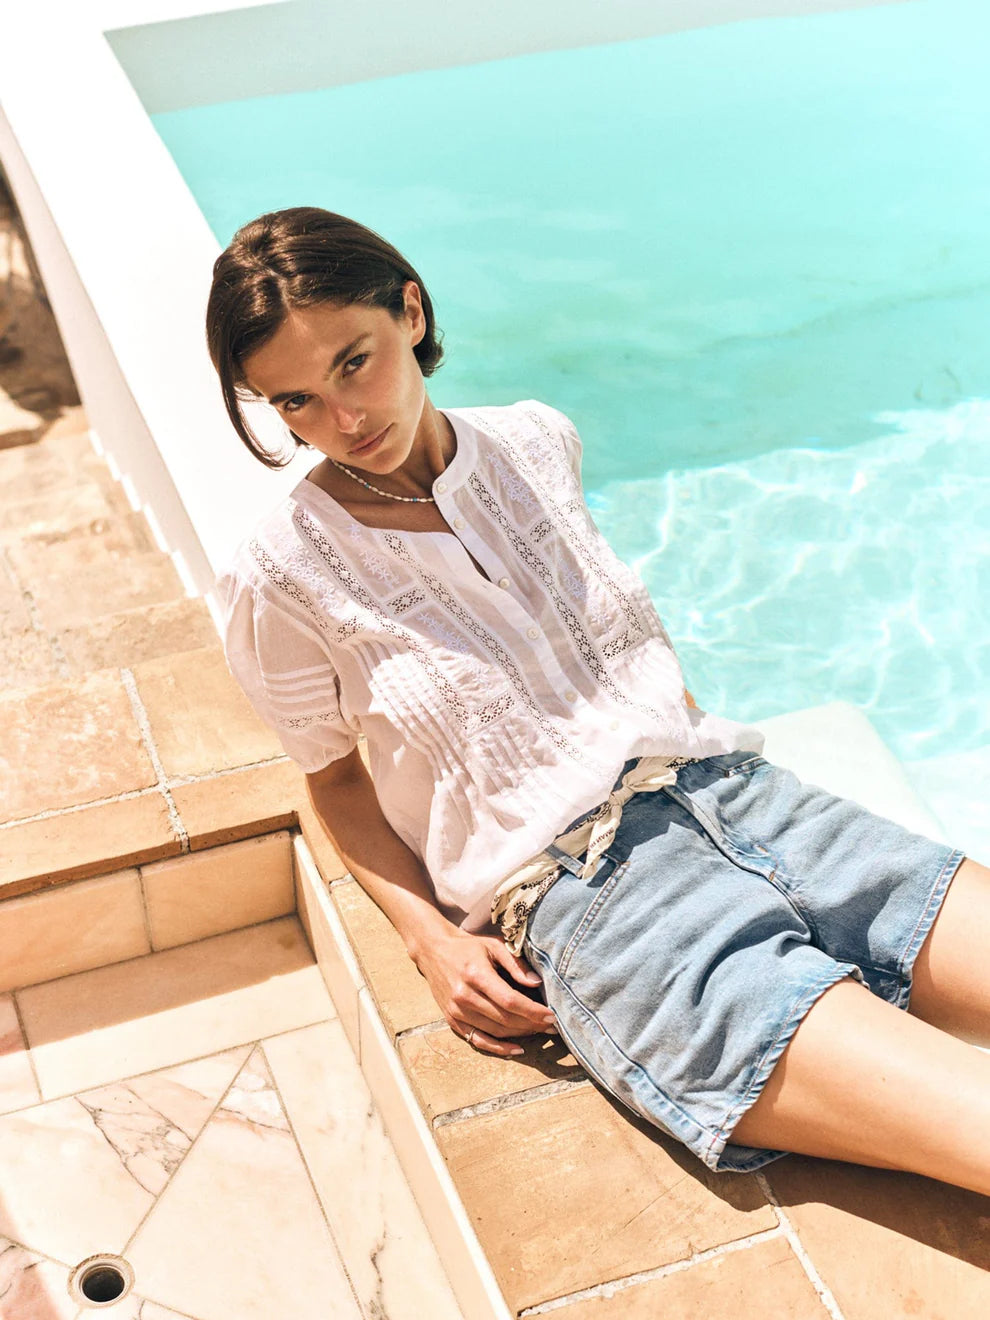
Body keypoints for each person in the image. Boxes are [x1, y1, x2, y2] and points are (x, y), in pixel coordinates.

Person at [208, 206, 990, 1195]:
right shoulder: (280, 574)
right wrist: (431, 941)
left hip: (751, 804)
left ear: (409, 311)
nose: (343, 419)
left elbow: (615, 648)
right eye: (297, 402)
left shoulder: (537, 440)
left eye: (353, 363)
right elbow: (333, 783)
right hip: (605, 907)